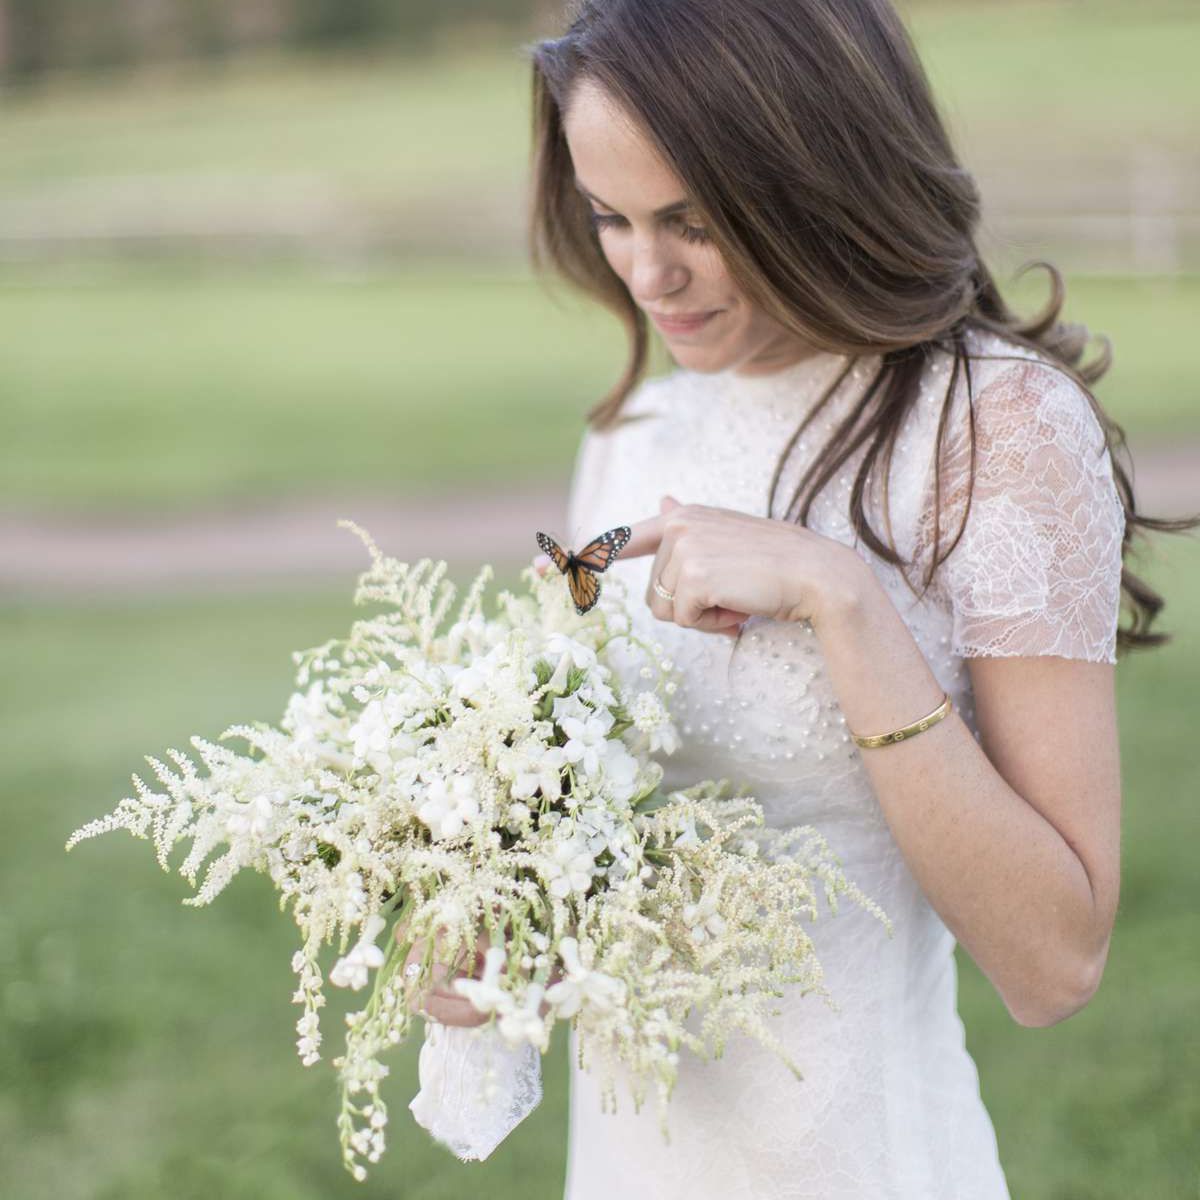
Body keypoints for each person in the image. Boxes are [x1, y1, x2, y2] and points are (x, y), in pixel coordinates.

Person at [409, 1, 1197, 1196]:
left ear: (816, 178)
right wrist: (503, 912)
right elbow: (610, 860)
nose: (648, 272)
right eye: (610, 216)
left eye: (693, 221)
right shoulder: (634, 434)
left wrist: (841, 598)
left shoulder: (995, 428)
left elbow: (1055, 966)